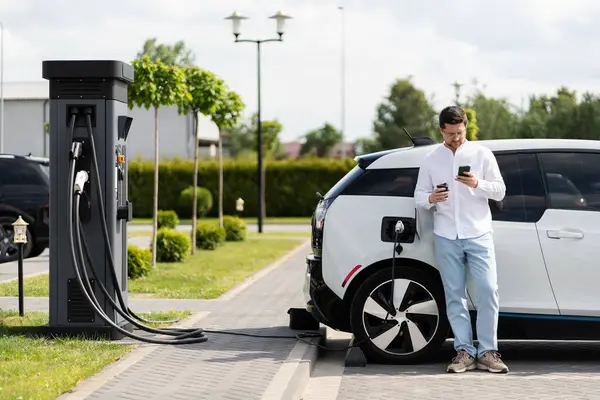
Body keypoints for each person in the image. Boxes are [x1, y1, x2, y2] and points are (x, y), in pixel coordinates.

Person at [414, 106, 508, 374]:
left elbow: (500, 190)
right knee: (454, 296)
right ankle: (464, 351)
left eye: (460, 132)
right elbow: (418, 196)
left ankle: (488, 351)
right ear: (441, 130)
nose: (456, 138)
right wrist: (431, 198)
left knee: (489, 290)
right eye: (451, 133)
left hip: (478, 234)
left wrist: (477, 184)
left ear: (465, 127)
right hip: (446, 236)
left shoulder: (482, 154)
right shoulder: (431, 159)